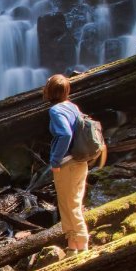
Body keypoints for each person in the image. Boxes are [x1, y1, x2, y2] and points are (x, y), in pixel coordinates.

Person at [43, 73, 88, 254]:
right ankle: (72, 245)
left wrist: (55, 160)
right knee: (67, 204)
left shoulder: (55, 111)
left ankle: (82, 245)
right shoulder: (72, 106)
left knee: (70, 204)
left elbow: (65, 134)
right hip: (79, 161)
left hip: (67, 164)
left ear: (49, 92)